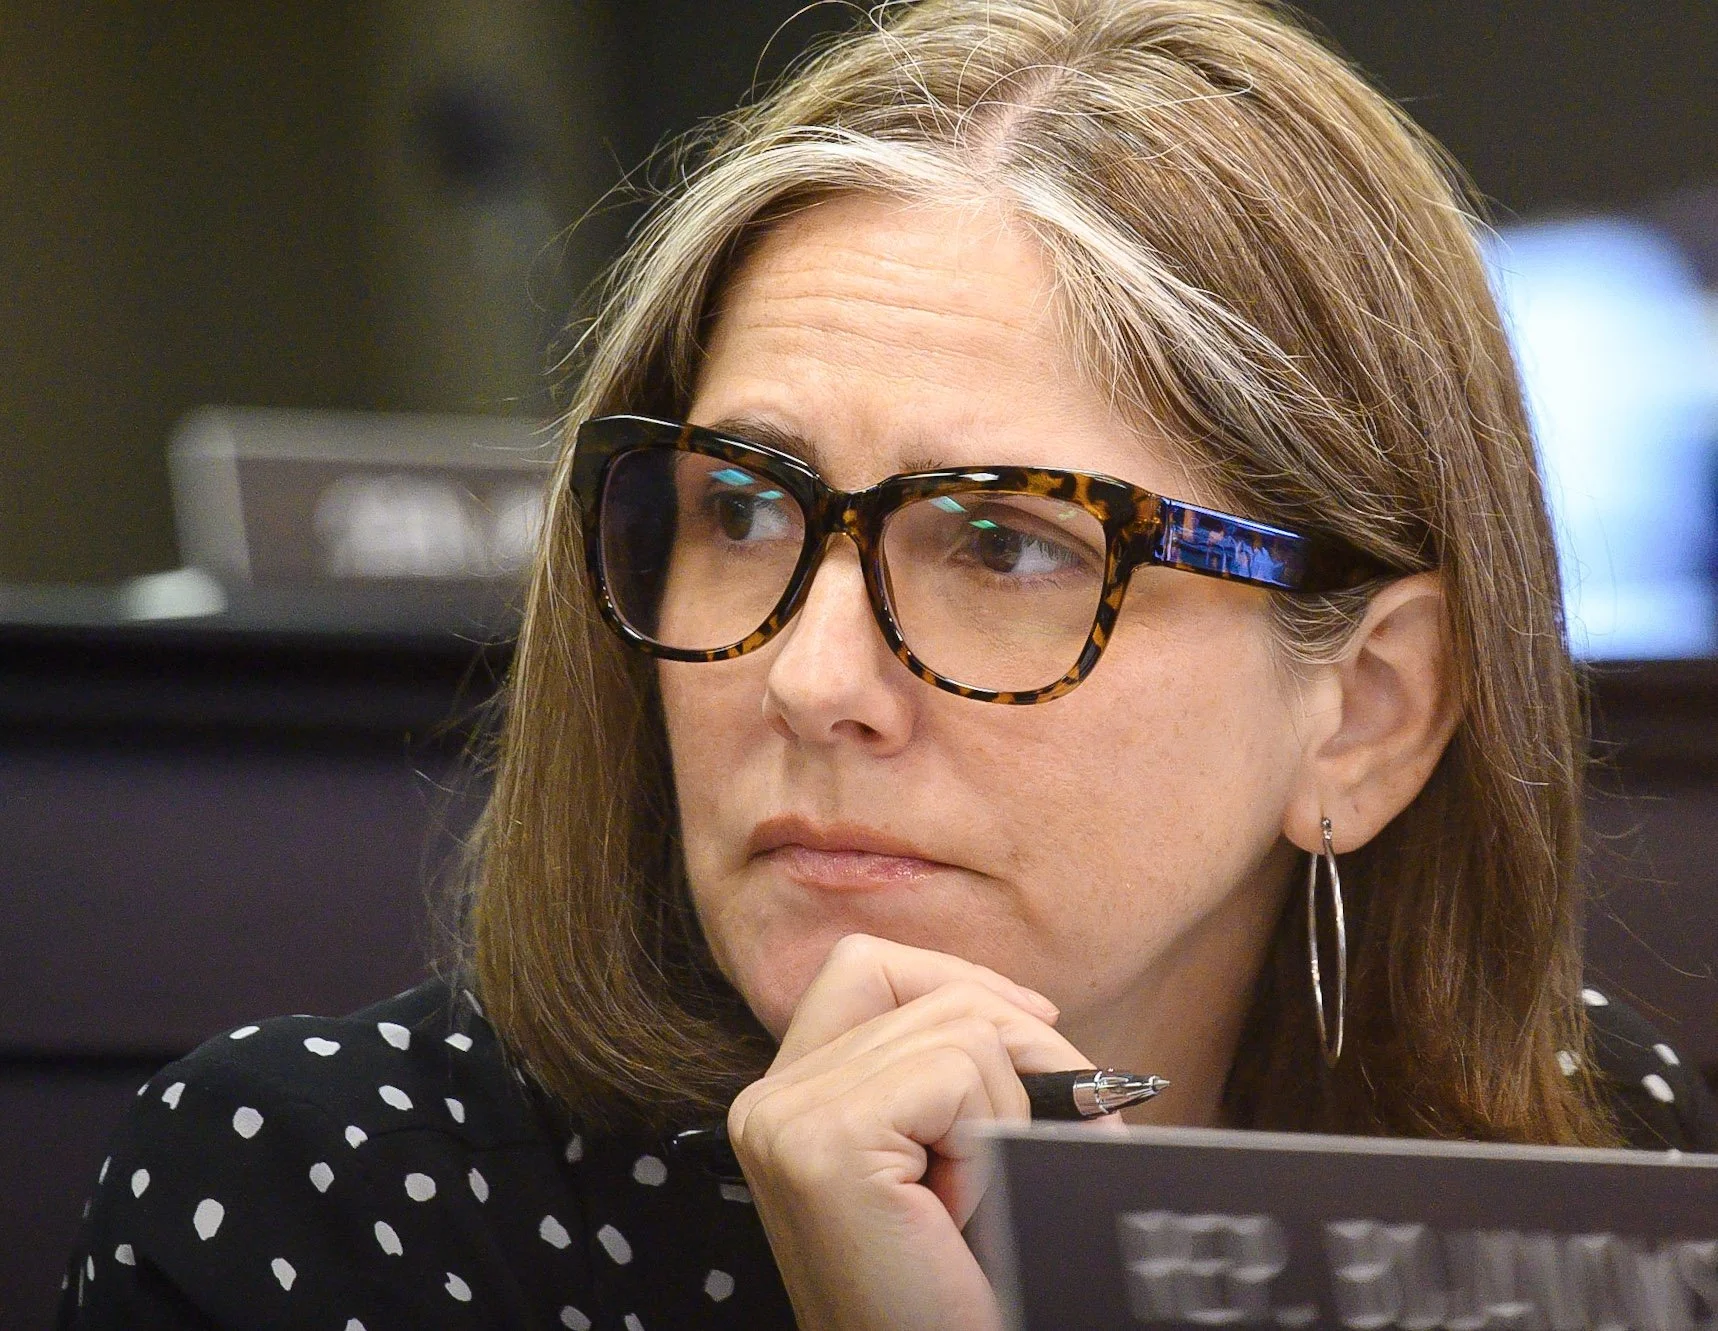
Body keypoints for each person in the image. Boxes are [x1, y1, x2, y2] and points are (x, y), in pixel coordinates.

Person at [59, 2, 1717, 1328]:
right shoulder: (327, 1202)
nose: (805, 674)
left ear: (1364, 711)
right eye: (743, 510)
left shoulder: (1598, 1163)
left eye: (1004, 543)